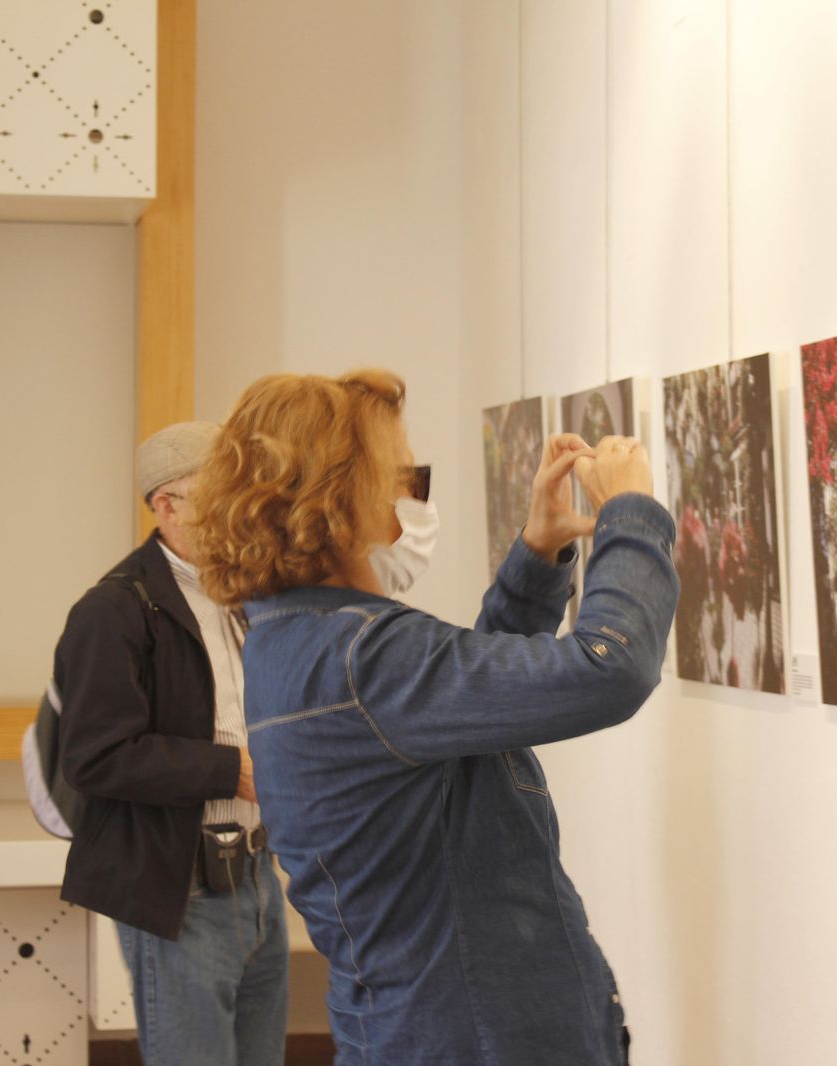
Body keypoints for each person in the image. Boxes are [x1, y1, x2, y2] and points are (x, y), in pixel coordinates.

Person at [189, 370, 679, 1064]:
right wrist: (631, 511)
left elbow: (465, 706)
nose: (409, 501)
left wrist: (538, 555)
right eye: (403, 478)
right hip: (472, 1038)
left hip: (424, 1024)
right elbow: (613, 666)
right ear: (345, 491)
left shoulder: (302, 638)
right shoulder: (363, 656)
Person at [53, 421, 288, 1066]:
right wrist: (230, 771)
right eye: (226, 497)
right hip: (180, 890)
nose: (245, 513)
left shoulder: (247, 595)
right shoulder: (114, 609)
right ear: (166, 505)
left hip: (261, 879)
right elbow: (95, 755)